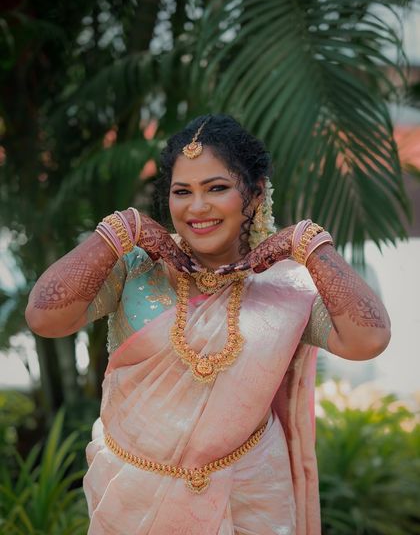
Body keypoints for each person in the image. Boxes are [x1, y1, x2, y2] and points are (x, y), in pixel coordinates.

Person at [25, 114, 391, 535]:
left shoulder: (286, 286)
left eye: (216, 188)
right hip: (133, 499)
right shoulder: (137, 270)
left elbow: (369, 337)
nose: (197, 208)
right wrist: (120, 230)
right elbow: (45, 317)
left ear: (253, 195)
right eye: (183, 192)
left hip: (250, 500)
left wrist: (309, 243)